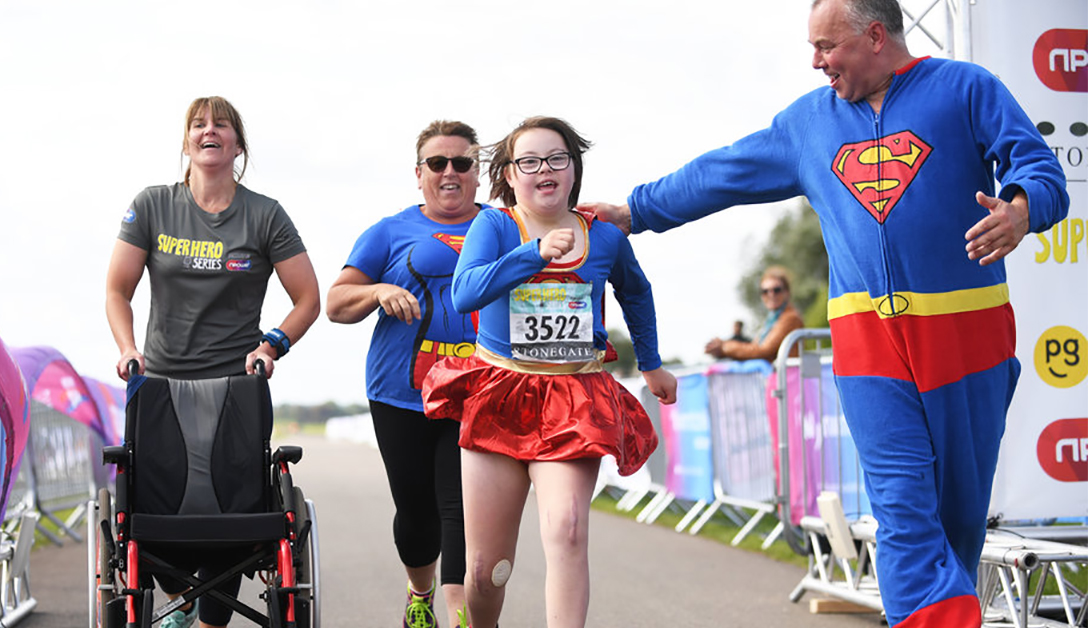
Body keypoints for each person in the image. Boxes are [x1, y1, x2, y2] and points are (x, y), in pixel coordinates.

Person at [580, 0, 1069, 625]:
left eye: (825, 47)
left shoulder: (965, 88)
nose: (816, 63)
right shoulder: (809, 124)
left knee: (957, 520)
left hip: (968, 338)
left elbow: (1039, 166)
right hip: (869, 349)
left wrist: (1023, 208)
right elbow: (723, 171)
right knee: (900, 509)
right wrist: (638, 210)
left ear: (873, 36)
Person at [423, 117, 677, 628]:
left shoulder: (603, 236)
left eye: (557, 159)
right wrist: (531, 254)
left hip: (574, 397)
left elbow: (636, 291)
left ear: (573, 169)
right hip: (501, 393)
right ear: (510, 175)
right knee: (486, 569)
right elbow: (465, 292)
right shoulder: (494, 226)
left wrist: (649, 362)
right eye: (530, 162)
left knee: (567, 527)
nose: (545, 170)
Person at [105, 96, 321, 628]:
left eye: (221, 124)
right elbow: (116, 289)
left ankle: (204, 613)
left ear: (238, 145)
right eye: (198, 124)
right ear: (186, 142)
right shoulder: (153, 205)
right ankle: (179, 598)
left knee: (231, 513)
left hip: (237, 388)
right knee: (160, 508)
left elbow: (308, 299)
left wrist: (273, 346)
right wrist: (128, 348)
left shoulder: (265, 214)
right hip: (159, 387)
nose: (209, 130)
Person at [326, 120, 482, 628]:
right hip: (401, 394)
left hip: (477, 392)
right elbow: (335, 303)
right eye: (438, 163)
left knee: (460, 508)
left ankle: (462, 613)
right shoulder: (388, 232)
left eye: (462, 162)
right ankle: (421, 594)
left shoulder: (505, 227)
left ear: (478, 172)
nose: (450, 172)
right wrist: (376, 292)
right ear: (419, 174)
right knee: (416, 516)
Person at [705, 266, 803, 361]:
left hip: (786, 376)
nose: (771, 294)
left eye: (776, 290)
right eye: (765, 291)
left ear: (787, 292)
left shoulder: (790, 318)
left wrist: (724, 347)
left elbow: (763, 351)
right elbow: (754, 347)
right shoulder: (771, 320)